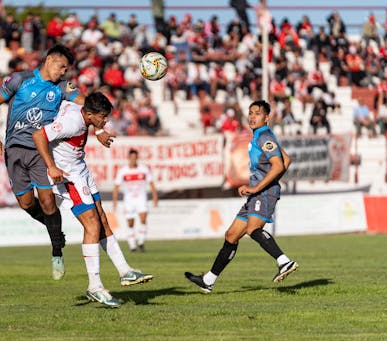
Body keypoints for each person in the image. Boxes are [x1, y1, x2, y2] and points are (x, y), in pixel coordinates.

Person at [0, 44, 112, 280]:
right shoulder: (19, 79)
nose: (63, 72)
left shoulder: (63, 87)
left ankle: (56, 249)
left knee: (47, 201)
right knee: (26, 204)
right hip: (14, 149)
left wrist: (99, 126)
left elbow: (88, 107)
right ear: (49, 60)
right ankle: (54, 230)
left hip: (40, 151)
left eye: (67, 68)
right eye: (61, 66)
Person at [32, 92, 153, 308]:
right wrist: (51, 166)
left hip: (81, 170)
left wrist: (98, 130)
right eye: (103, 117)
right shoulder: (71, 124)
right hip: (68, 177)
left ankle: (125, 271)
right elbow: (39, 136)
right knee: (92, 224)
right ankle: (95, 286)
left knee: (103, 220)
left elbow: (80, 101)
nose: (106, 121)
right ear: (89, 114)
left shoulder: (82, 110)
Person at [185, 100, 298, 293]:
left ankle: (284, 261)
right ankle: (208, 280)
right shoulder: (260, 136)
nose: (252, 116)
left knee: (253, 228)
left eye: (257, 113)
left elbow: (279, 165)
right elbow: (286, 159)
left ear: (267, 117)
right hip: (258, 192)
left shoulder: (264, 136)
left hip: (262, 193)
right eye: (250, 112)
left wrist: (260, 187)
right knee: (231, 235)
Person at [112, 149, 158, 253]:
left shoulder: (143, 169)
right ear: (129, 158)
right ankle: (132, 245)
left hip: (141, 199)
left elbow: (151, 183)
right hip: (129, 200)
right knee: (130, 223)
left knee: (143, 218)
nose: (133, 160)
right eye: (131, 158)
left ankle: (141, 241)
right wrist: (114, 201)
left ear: (137, 158)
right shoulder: (123, 171)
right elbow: (116, 186)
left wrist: (155, 197)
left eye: (135, 158)